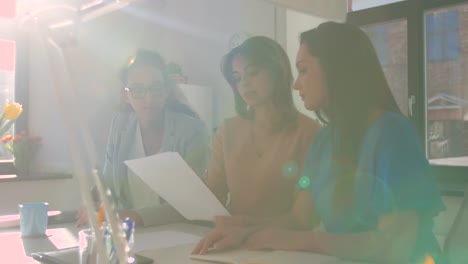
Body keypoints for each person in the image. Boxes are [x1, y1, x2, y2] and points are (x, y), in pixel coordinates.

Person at [244, 22, 445, 264]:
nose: (297, 84)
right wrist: (243, 229)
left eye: (304, 70)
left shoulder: (393, 133)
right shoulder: (323, 140)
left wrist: (300, 240)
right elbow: (300, 217)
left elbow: (393, 246)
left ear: (336, 69)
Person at [192, 36, 321, 254]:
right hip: (229, 245)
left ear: (278, 71)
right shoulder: (227, 130)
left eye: (253, 73)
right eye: (237, 77)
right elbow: (212, 197)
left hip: (280, 249)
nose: (245, 83)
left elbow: (303, 219)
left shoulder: (309, 133)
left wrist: (244, 228)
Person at [76, 49, 210, 227]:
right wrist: (92, 203)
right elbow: (107, 184)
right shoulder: (120, 125)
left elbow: (192, 203)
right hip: (133, 236)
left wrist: (131, 216)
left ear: (167, 91)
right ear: (126, 95)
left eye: (156, 88)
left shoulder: (192, 131)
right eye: (138, 90)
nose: (149, 98)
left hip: (183, 235)